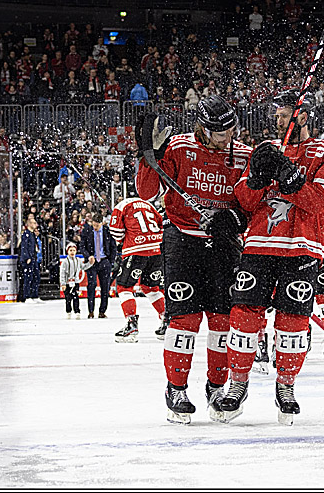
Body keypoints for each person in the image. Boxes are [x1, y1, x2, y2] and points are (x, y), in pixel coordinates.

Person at [221, 89, 324, 425]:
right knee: (244, 317)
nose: (276, 119)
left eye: (284, 113)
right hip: (260, 243)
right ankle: (238, 383)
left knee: (292, 322)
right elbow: (245, 200)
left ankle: (286, 385)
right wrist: (260, 179)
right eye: (275, 114)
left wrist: (291, 179)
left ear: (302, 116)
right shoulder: (265, 150)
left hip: (303, 248)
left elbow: (320, 203)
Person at [134, 95, 251, 424]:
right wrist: (149, 157)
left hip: (224, 244)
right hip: (182, 241)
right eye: (218, 132)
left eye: (231, 130)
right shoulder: (178, 148)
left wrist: (236, 221)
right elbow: (146, 192)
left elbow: (251, 204)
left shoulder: (242, 155)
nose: (226, 137)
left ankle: (216, 387)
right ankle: (176, 388)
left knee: (222, 322)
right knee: (185, 320)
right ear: (201, 126)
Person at [109, 196, 166, 342]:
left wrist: (124, 239)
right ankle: (167, 321)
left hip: (136, 250)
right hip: (156, 249)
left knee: (123, 287)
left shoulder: (121, 206)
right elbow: (161, 224)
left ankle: (131, 324)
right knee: (151, 287)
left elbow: (115, 231)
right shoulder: (149, 205)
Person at [79, 211, 116, 319]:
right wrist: (88, 256)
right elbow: (82, 246)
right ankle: (91, 311)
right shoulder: (87, 230)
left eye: (97, 225)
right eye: (93, 225)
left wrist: (111, 261)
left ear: (102, 223)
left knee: (105, 287)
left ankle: (102, 311)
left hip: (104, 261)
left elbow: (113, 247)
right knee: (91, 285)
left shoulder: (107, 231)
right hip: (92, 262)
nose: (95, 227)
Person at [17, 215, 43, 303]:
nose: (36, 224)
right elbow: (24, 247)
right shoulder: (26, 234)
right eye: (34, 223)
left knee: (36, 277)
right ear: (29, 224)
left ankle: (34, 295)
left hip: (33, 258)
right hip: (29, 259)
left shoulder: (33, 234)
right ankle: (27, 296)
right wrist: (27, 257)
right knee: (28, 278)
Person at [60, 242, 83, 319]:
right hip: (67, 283)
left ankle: (77, 311)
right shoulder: (65, 262)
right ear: (67, 251)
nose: (72, 252)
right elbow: (62, 273)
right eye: (70, 250)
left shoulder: (78, 260)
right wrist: (63, 283)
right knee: (68, 298)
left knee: (76, 297)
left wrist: (90, 263)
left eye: (73, 250)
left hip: (75, 282)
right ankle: (68, 311)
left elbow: (83, 267)